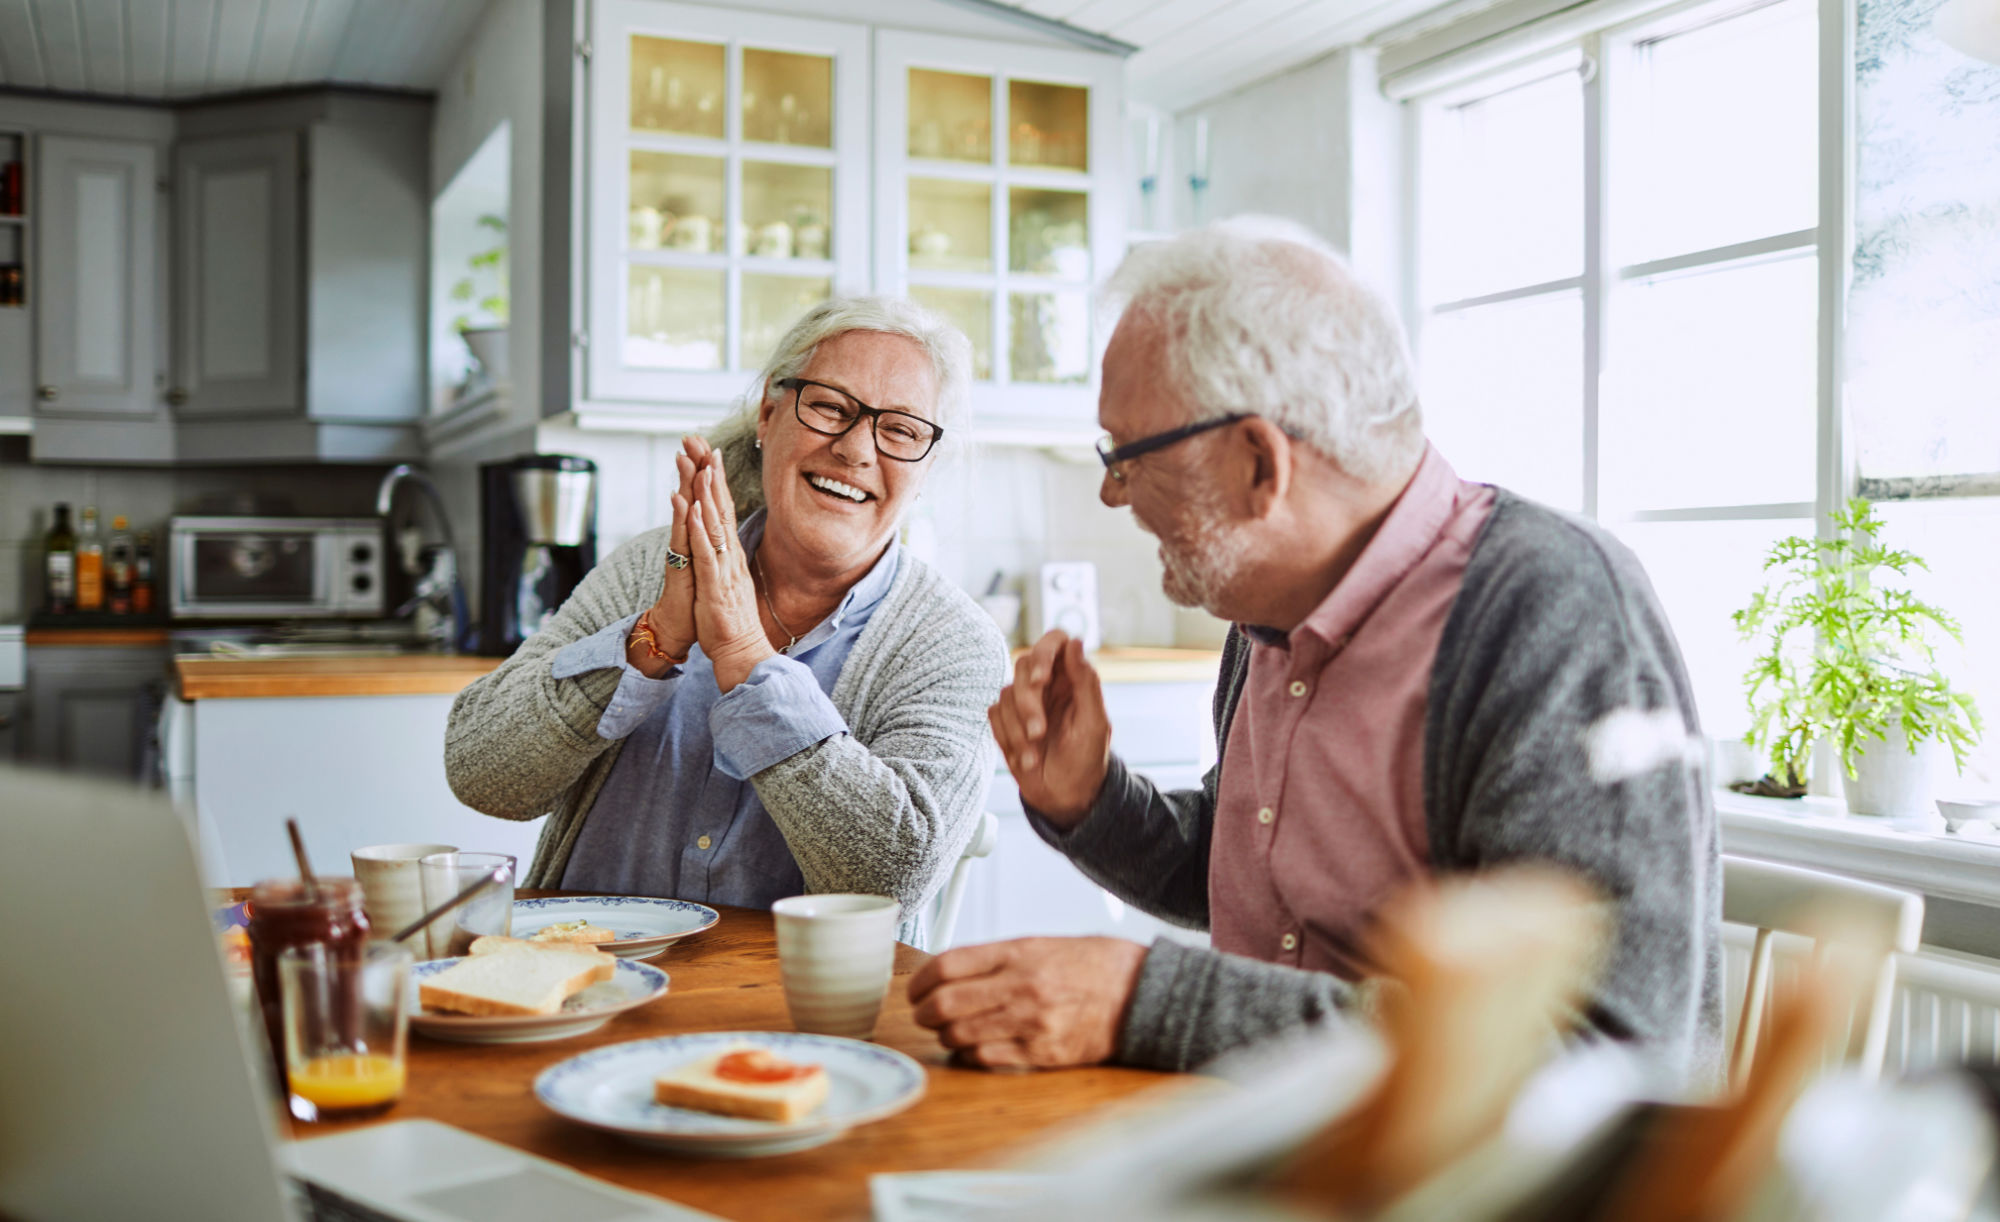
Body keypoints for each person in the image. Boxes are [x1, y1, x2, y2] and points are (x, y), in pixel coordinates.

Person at [908, 217, 1723, 1080]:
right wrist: (1091, 803)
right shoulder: (1268, 612)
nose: (1112, 495)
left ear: (1261, 464)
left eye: (1128, 455)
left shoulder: (1555, 612)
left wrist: (1144, 1003)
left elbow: (1601, 1050)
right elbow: (1250, 881)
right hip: (1269, 1151)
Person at [445, 297, 1006, 947]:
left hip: (797, 1030)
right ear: (770, 412)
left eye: (902, 430)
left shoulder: (953, 644)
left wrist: (746, 658)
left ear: (926, 465)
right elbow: (481, 773)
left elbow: (891, 876)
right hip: (581, 985)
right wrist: (648, 643)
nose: (856, 450)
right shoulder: (650, 570)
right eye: (829, 406)